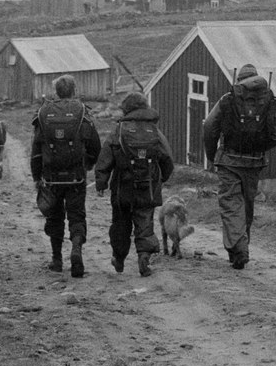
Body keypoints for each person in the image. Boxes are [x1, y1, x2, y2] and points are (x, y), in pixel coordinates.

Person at [202, 63, 276, 270]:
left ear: (239, 80)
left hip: (229, 160)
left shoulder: (228, 99)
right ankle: (241, 247)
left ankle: (239, 250)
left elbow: (209, 127)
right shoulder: (267, 100)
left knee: (232, 205)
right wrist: (262, 147)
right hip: (254, 162)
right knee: (247, 205)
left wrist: (213, 156)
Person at [96, 92, 175, 277]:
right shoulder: (154, 130)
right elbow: (167, 159)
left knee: (120, 224)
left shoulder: (119, 130)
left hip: (122, 188)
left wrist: (101, 182)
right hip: (147, 187)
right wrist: (160, 179)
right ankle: (144, 257)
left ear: (127, 109)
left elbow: (105, 157)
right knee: (145, 223)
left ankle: (119, 258)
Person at [31, 74, 101, 277]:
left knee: (54, 216)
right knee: (77, 215)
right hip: (76, 176)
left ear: (56, 91)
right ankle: (76, 250)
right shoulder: (82, 113)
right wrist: (88, 164)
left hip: (51, 177)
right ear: (74, 90)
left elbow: (36, 150)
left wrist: (37, 177)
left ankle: (56, 259)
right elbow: (95, 145)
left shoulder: (43, 113)